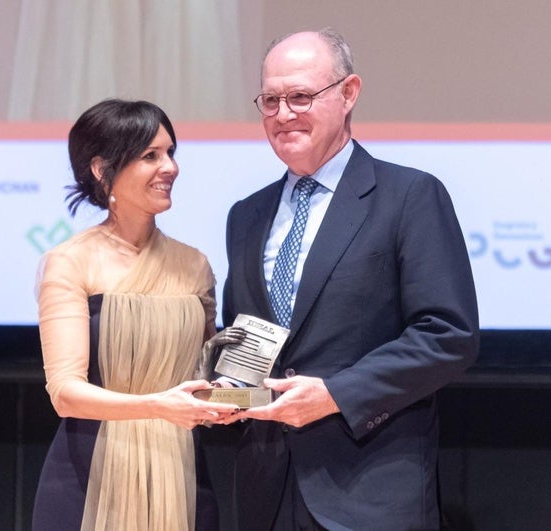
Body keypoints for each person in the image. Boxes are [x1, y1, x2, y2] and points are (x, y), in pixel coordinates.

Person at [204, 29, 480, 530]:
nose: (284, 113)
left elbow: (447, 335)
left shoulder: (409, 196)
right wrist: (224, 388)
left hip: (368, 489)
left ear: (349, 93)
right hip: (266, 489)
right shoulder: (246, 215)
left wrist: (335, 394)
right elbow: (247, 338)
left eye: (301, 97)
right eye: (271, 100)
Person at [31, 99, 239, 531]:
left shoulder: (194, 265)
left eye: (170, 153)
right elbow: (65, 393)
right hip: (89, 476)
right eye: (150, 156)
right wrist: (157, 407)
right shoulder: (71, 262)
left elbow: (203, 375)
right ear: (102, 169)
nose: (170, 167)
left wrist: (237, 396)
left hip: (181, 474)